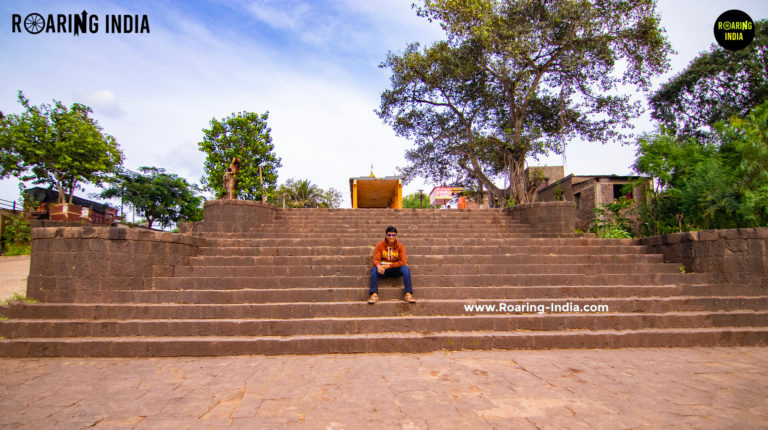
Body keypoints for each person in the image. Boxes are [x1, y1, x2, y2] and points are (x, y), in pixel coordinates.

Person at [368, 226, 415, 304]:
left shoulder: (400, 246)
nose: (391, 237)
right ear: (386, 235)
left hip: (394, 269)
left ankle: (408, 294)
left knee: (405, 269)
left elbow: (403, 262)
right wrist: (378, 265)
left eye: (393, 235)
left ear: (396, 236)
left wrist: (389, 266)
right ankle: (374, 295)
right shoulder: (380, 245)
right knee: (374, 270)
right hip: (383, 270)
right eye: (389, 235)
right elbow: (376, 259)